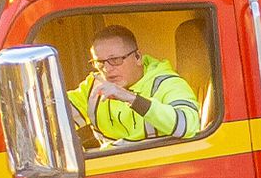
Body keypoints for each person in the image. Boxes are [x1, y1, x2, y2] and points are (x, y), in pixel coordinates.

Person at [68, 24, 203, 143]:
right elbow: (54, 118)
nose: (107, 69)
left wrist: (131, 99)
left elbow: (189, 126)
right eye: (99, 62)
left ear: (138, 57)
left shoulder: (166, 83)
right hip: (111, 167)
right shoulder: (94, 86)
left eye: (115, 60)